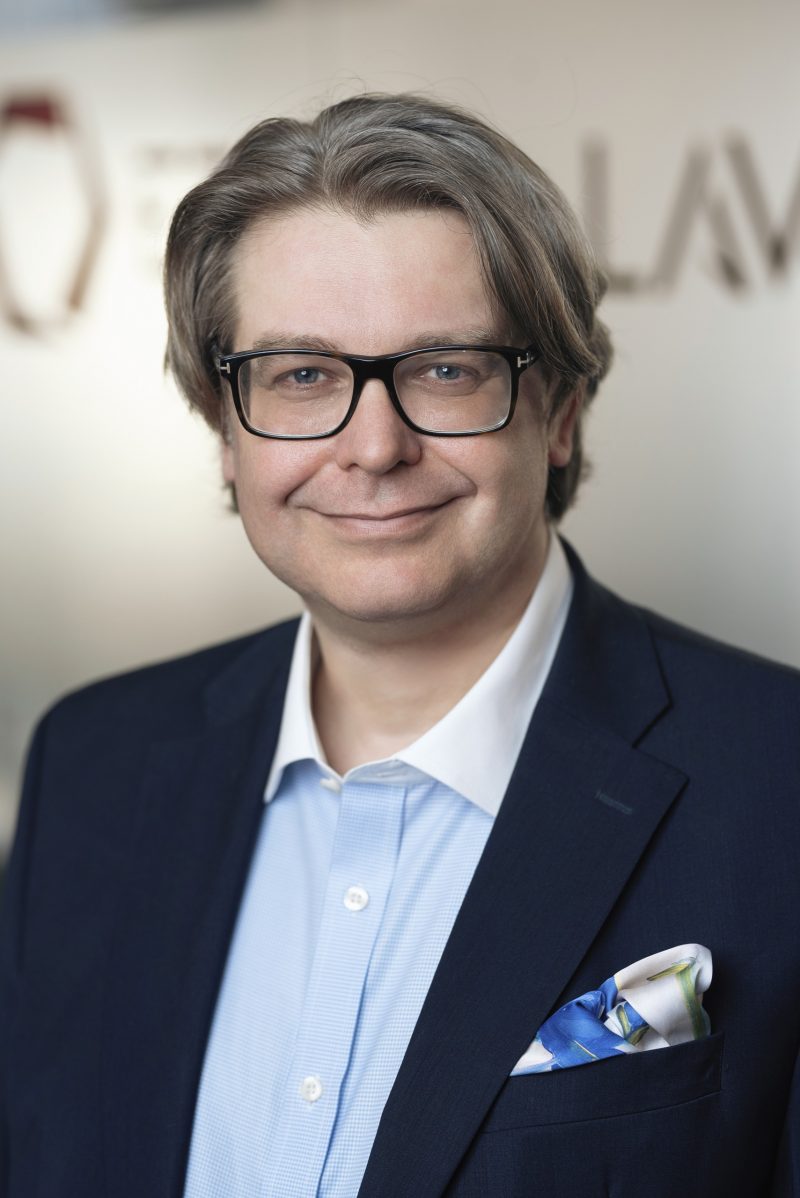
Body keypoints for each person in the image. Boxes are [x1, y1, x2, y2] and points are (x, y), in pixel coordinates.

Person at [0, 93, 797, 1198]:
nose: (373, 447)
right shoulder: (92, 763)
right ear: (222, 427)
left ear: (560, 412)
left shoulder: (777, 781)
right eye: (301, 376)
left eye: (445, 370)